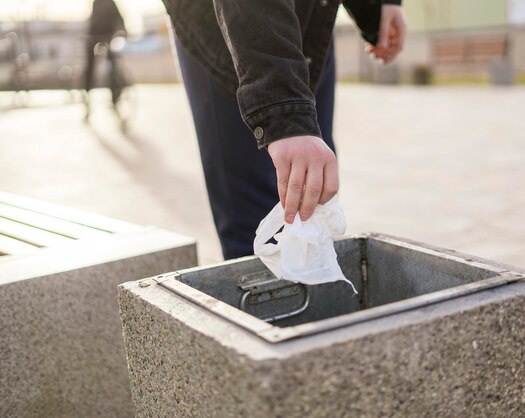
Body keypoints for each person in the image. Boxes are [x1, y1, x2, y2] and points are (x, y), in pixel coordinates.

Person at [162, 0, 406, 259]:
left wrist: (378, 5)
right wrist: (283, 110)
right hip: (231, 27)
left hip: (311, 18)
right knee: (260, 234)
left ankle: (316, 288)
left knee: (315, 199)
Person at [83, 0, 126, 114]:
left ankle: (115, 96)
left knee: (113, 67)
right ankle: (87, 98)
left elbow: (119, 19)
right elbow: (93, 23)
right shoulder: (95, 3)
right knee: (89, 68)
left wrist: (121, 33)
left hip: (108, 38)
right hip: (95, 38)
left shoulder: (110, 3)